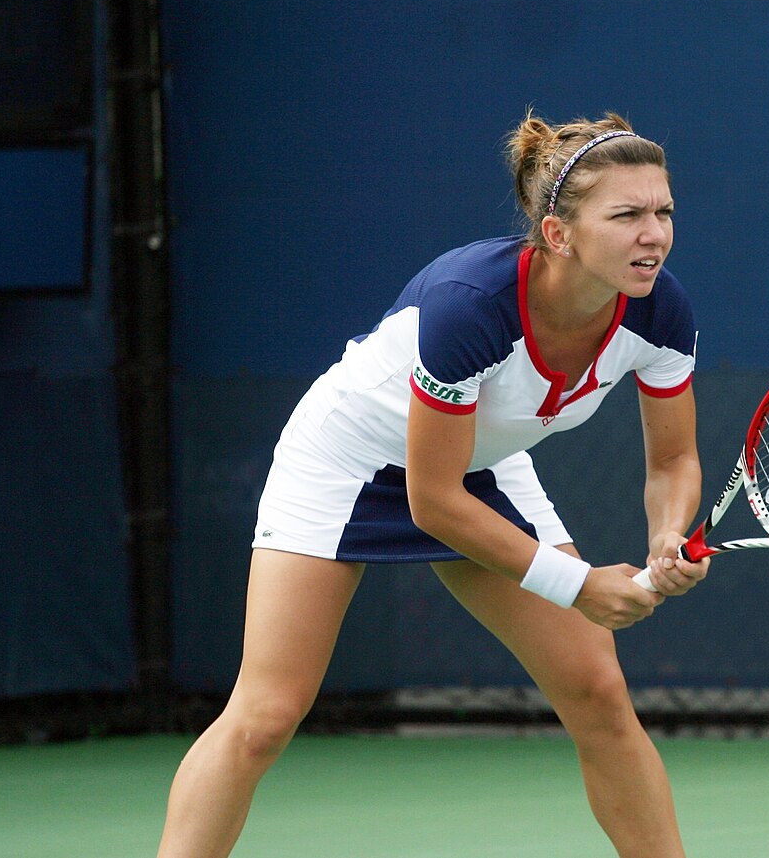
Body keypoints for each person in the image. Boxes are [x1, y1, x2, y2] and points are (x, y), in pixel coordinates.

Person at [156, 110, 710, 858]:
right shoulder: (469, 304)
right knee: (265, 715)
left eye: (663, 211)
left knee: (599, 692)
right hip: (347, 459)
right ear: (559, 234)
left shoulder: (660, 308)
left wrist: (668, 534)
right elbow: (433, 502)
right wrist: (578, 582)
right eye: (628, 215)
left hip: (478, 464)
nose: (655, 233)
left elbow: (673, 462)